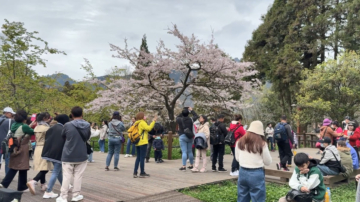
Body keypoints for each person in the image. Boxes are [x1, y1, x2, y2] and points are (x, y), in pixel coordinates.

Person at [56, 106, 91, 202]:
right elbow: (87, 137)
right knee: (78, 176)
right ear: (82, 114)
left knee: (66, 176)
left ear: (71, 115)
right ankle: (76, 195)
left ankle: (63, 197)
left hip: (68, 154)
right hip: (82, 154)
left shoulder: (67, 125)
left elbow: (63, 136)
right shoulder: (87, 125)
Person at [235, 121, 272, 202]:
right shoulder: (262, 144)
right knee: (258, 198)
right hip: (256, 173)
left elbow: (237, 158)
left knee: (242, 197)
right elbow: (268, 162)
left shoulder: (239, 142)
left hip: (242, 172)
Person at [0, 110, 34, 192]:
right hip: (22, 149)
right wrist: (31, 125)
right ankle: (16, 186)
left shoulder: (14, 125)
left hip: (14, 148)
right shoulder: (24, 126)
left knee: (19, 167)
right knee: (20, 167)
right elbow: (32, 132)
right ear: (24, 118)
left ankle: (16, 185)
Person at [41, 114, 70, 199]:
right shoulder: (63, 129)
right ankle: (48, 191)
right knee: (56, 172)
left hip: (49, 153)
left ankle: (65, 187)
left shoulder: (51, 128)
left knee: (58, 171)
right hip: (59, 154)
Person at [27, 112, 52, 195]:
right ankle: (34, 181)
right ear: (45, 118)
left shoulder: (37, 127)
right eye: (48, 118)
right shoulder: (47, 128)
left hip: (38, 148)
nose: (49, 119)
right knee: (45, 168)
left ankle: (43, 184)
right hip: (45, 148)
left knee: (43, 167)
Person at [129, 112, 156, 178]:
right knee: (142, 158)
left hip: (137, 142)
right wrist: (153, 122)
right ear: (142, 116)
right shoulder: (142, 122)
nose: (145, 116)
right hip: (142, 142)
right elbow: (149, 128)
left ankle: (135, 172)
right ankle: (142, 172)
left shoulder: (136, 123)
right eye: (144, 116)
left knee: (138, 157)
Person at [0, 107, 16, 174]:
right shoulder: (10, 121)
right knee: (7, 159)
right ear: (7, 113)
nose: (12, 115)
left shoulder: (0, 119)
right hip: (7, 143)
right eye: (11, 114)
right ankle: (7, 176)